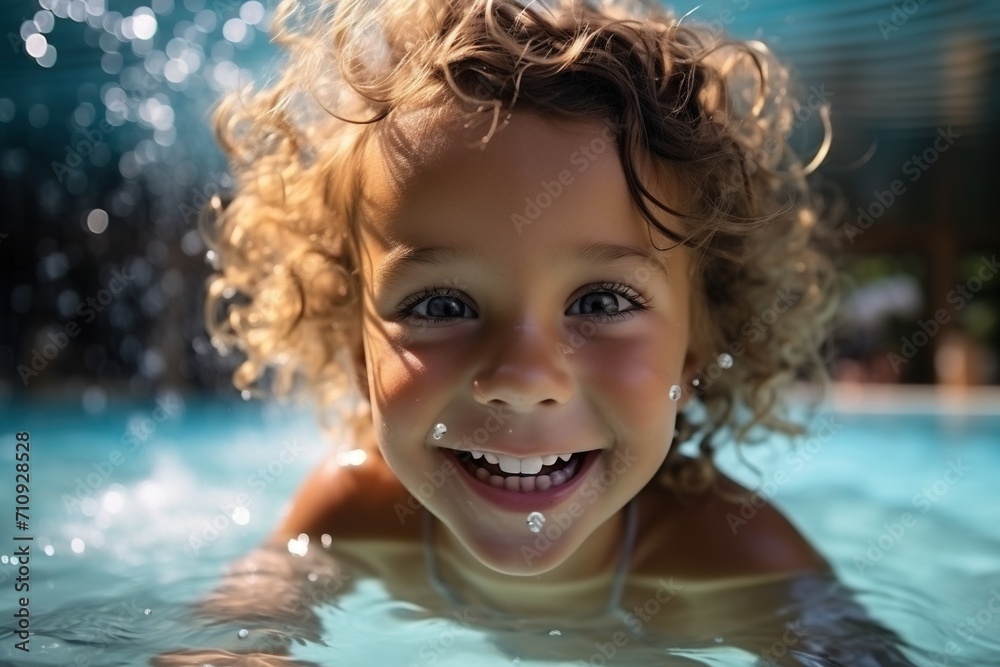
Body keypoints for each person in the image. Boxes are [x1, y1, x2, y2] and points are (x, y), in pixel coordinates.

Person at [156, 0, 918, 664]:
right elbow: (238, 628)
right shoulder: (353, 506)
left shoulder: (725, 546)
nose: (523, 376)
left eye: (601, 301)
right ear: (357, 347)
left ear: (695, 344)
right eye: (442, 306)